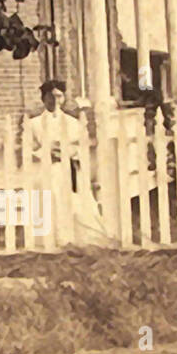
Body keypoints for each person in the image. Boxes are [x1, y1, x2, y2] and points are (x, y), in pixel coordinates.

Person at [23, 79, 114, 247]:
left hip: (70, 167)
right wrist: (46, 153)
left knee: (76, 202)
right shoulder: (33, 123)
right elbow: (28, 148)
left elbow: (81, 144)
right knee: (52, 199)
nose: (55, 101)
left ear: (63, 98)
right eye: (51, 97)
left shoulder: (72, 122)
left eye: (59, 96)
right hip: (47, 168)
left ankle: (78, 237)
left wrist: (69, 152)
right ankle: (53, 238)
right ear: (43, 99)